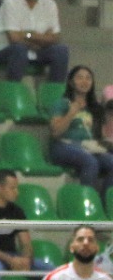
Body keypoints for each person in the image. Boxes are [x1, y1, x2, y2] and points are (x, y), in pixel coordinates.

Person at [48, 65, 113, 193]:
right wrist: (71, 113)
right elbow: (55, 132)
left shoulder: (94, 108)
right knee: (90, 162)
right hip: (63, 145)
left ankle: (107, 203)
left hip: (88, 147)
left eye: (88, 78)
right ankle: (86, 201)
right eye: (80, 78)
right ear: (71, 82)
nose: (85, 81)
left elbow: (98, 135)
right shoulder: (62, 103)